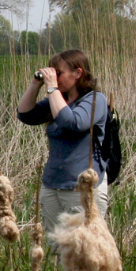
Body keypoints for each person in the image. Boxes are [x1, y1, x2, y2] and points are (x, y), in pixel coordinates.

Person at [17, 49, 109, 237]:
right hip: (52, 185)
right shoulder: (57, 101)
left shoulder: (95, 100)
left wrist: (52, 89)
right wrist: (36, 84)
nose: (54, 78)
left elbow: (72, 123)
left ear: (78, 73)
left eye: (59, 73)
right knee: (58, 248)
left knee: (86, 247)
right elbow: (25, 114)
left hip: (81, 188)